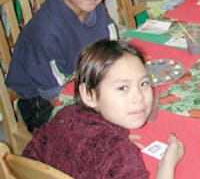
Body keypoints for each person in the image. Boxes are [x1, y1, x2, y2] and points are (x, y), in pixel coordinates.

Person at [23, 40, 184, 179]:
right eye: (122, 87)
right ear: (88, 94)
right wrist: (166, 166)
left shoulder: (66, 115)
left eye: (143, 84)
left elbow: (30, 157)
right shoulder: (121, 154)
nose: (139, 97)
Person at [7, 0, 118, 132]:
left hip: (81, 79)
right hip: (41, 101)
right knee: (96, 134)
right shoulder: (47, 30)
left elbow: (111, 49)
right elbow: (54, 94)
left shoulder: (93, 7)